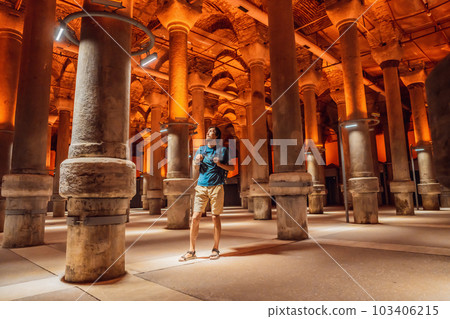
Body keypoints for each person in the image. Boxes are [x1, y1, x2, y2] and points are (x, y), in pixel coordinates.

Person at [178, 126, 235, 261]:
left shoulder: (223, 150)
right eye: (208, 131)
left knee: (215, 217)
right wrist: (197, 160)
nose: (209, 133)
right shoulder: (201, 149)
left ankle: (215, 249)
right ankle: (191, 251)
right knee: (195, 217)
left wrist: (220, 164)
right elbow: (196, 167)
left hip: (217, 186)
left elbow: (232, 167)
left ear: (217, 136)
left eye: (212, 132)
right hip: (201, 186)